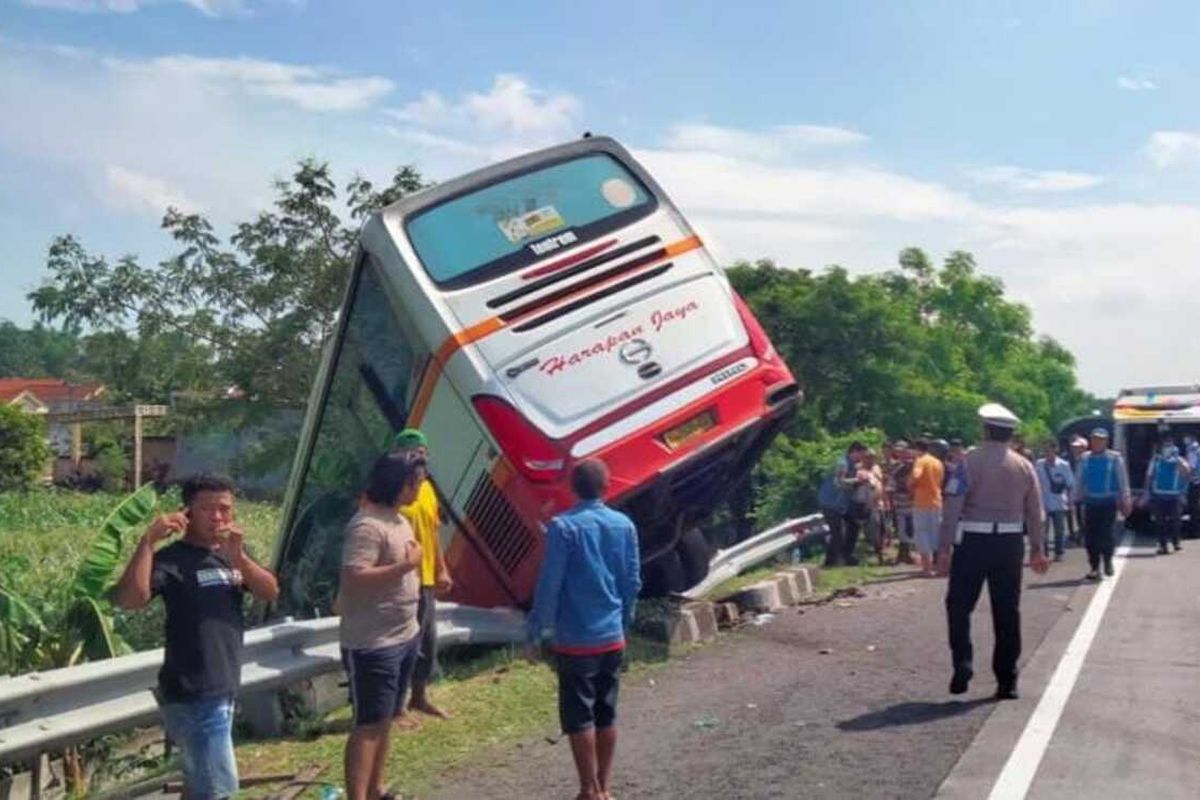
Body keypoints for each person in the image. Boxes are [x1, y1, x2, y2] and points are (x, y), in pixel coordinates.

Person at [113, 474, 279, 800]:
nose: (218, 517)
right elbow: (130, 600)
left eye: (225, 509)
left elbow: (269, 590)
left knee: (200, 784)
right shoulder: (172, 559)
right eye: (207, 509)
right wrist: (147, 542)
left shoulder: (231, 555)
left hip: (222, 684)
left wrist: (240, 557)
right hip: (193, 689)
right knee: (216, 790)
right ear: (186, 512)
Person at [526, 459, 641, 800]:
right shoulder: (625, 526)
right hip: (611, 636)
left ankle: (587, 789)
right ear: (606, 487)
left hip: (576, 639)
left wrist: (537, 631)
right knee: (607, 712)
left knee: (579, 717)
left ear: (572, 488)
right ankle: (605, 786)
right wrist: (624, 621)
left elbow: (550, 585)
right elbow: (632, 581)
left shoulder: (563, 528)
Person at [938, 403, 1049, 700]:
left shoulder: (967, 462)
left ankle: (963, 662)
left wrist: (944, 546)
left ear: (985, 429)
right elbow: (1035, 512)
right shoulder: (1024, 465)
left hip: (973, 540)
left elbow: (952, 506)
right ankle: (1007, 680)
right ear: (1010, 433)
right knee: (1007, 611)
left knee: (958, 606)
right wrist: (1037, 549)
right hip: (1010, 544)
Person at [339, 453, 424, 800]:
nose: (420, 488)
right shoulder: (367, 525)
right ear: (399, 484)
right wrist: (404, 568)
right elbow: (355, 578)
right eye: (416, 482)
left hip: (404, 634)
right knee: (369, 724)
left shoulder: (399, 519)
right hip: (373, 642)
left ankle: (376, 789)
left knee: (387, 717)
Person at [391, 428, 454, 725]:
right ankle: (396, 707)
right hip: (402, 580)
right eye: (412, 452)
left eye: (422, 453)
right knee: (406, 645)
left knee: (427, 643)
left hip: (426, 576)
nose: (419, 458)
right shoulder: (394, 493)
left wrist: (442, 567)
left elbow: (434, 532)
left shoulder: (427, 489)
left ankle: (420, 696)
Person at [1072, 428, 1131, 581]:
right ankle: (1094, 567)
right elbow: (1079, 479)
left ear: (1106, 441)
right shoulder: (1084, 458)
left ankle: (1107, 562)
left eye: (1101, 439)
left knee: (1105, 535)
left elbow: (1122, 481)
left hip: (1108, 503)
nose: (1097, 442)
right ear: (1091, 441)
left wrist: (1126, 499)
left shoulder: (1114, 458)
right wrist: (1074, 498)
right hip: (1090, 503)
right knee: (1090, 537)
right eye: (1095, 439)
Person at [818, 442, 868, 566]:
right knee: (837, 533)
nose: (862, 457)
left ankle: (847, 555)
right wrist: (857, 481)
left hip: (842, 504)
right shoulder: (842, 463)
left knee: (854, 525)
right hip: (831, 503)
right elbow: (839, 482)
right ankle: (831, 561)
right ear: (854, 451)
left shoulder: (852, 464)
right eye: (861, 454)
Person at [1142, 438, 1191, 555]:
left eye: (1170, 446)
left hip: (1175, 496)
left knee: (1176, 522)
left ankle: (1176, 542)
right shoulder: (1156, 460)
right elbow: (1149, 476)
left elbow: (1186, 473)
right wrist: (1146, 492)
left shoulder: (1180, 461)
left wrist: (1177, 459)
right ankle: (1162, 545)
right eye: (1166, 446)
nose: (1168, 448)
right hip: (1158, 495)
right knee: (1160, 522)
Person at [908, 439, 945, 577]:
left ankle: (927, 568)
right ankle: (942, 567)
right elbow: (941, 480)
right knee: (936, 534)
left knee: (922, 533)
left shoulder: (920, 461)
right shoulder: (937, 462)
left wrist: (910, 485)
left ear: (917, 449)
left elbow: (915, 476)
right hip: (937, 500)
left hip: (922, 502)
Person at [1035, 441, 1075, 561]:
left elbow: (1070, 484)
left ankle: (1059, 552)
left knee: (1059, 530)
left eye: (1049, 450)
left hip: (1059, 502)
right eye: (1045, 450)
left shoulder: (1064, 465)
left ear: (1055, 450)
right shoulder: (1039, 464)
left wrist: (1071, 502)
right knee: (1043, 531)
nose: (1047, 453)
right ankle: (1044, 554)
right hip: (1043, 502)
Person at [886, 441, 916, 565]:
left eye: (910, 458)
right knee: (902, 531)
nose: (908, 460)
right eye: (905, 457)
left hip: (914, 505)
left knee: (911, 530)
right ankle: (903, 555)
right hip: (900, 505)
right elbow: (890, 488)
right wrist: (891, 504)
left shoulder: (917, 469)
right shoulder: (897, 471)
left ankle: (906, 554)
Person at [856, 450, 888, 566]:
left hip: (880, 503)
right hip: (868, 503)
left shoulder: (876, 468)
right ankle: (877, 553)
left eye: (873, 457)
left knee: (883, 528)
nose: (871, 459)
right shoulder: (859, 470)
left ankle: (881, 552)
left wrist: (885, 499)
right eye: (868, 457)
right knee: (874, 528)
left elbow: (881, 484)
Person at [1066, 436, 1088, 544]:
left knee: (1083, 514)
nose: (1075, 449)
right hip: (1071, 491)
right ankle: (1073, 534)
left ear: (1084, 448)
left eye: (1078, 447)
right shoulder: (1068, 461)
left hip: (1085, 492)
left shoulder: (1088, 460)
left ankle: (1083, 534)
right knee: (1072, 513)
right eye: (1074, 447)